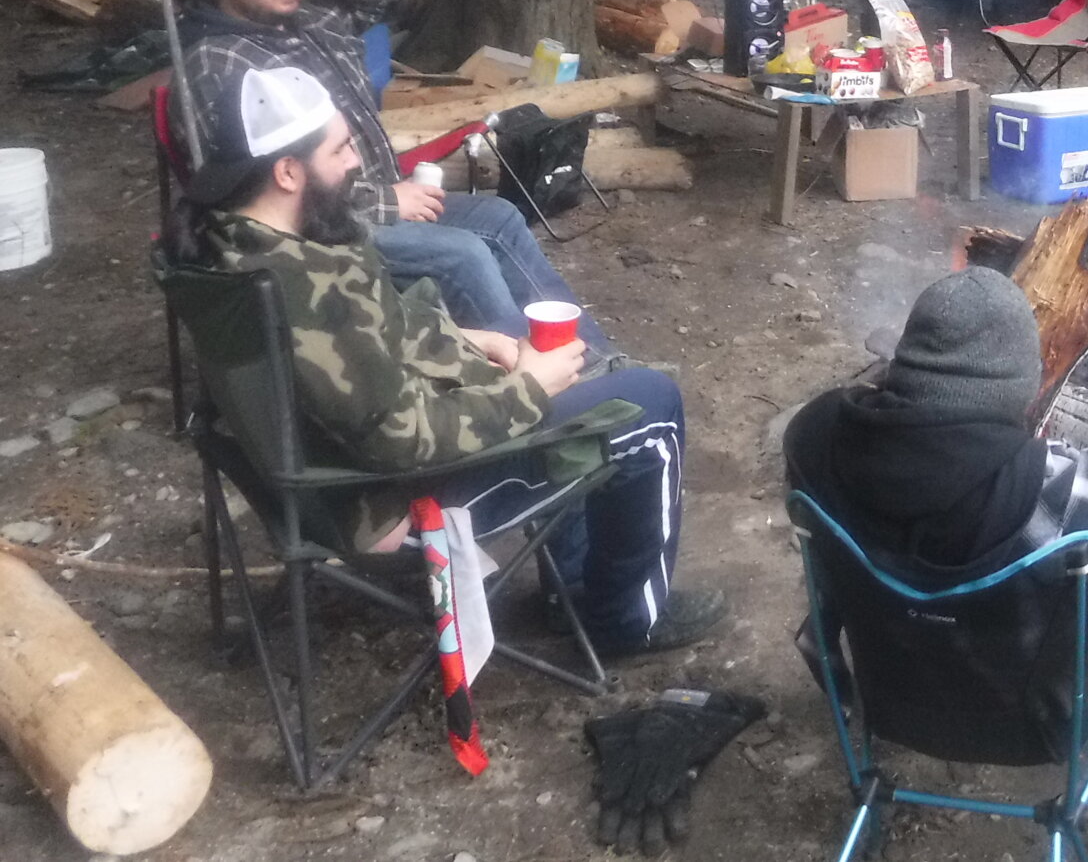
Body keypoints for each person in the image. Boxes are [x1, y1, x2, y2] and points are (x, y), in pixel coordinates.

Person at [170, 64, 723, 657]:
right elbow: (400, 439)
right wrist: (529, 390)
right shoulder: (309, 290)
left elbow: (371, 340)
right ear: (287, 172)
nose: (356, 163)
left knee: (555, 368)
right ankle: (625, 622)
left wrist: (473, 339)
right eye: (340, 150)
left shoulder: (229, 247)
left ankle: (573, 588)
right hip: (390, 505)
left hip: (315, 484)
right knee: (650, 403)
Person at [782, 269, 1088, 766]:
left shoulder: (813, 436)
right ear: (1025, 386)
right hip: (1035, 723)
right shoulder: (1052, 489)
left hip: (896, 701)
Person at [175, 0, 607, 351]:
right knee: (463, 255)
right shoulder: (220, 64)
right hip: (317, 233)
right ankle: (529, 374)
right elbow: (261, 190)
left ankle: (592, 357)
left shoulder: (301, 21)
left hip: (373, 195)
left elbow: (383, 9)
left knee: (500, 217)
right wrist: (385, 202)